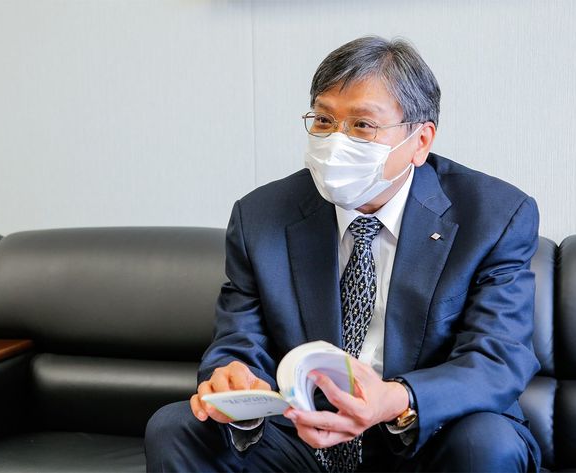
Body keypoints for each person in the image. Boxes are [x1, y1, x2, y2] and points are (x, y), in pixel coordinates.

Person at [145, 35, 541, 472]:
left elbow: (497, 358)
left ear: (420, 141)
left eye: (362, 125)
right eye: (324, 120)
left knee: (486, 442)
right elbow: (240, 340)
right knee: (176, 427)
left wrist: (396, 398)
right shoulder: (261, 216)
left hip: (424, 435)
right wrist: (232, 377)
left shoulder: (494, 216)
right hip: (303, 436)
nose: (336, 141)